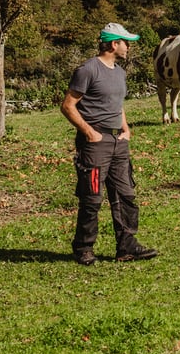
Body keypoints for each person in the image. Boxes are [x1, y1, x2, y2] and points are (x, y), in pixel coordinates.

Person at [61, 22, 158, 266]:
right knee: (92, 198)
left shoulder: (119, 72)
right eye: (126, 43)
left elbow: (117, 104)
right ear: (114, 44)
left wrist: (125, 128)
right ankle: (83, 248)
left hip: (119, 143)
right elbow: (68, 105)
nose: (128, 47)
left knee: (126, 195)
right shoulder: (88, 70)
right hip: (95, 145)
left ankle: (127, 247)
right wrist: (89, 132)